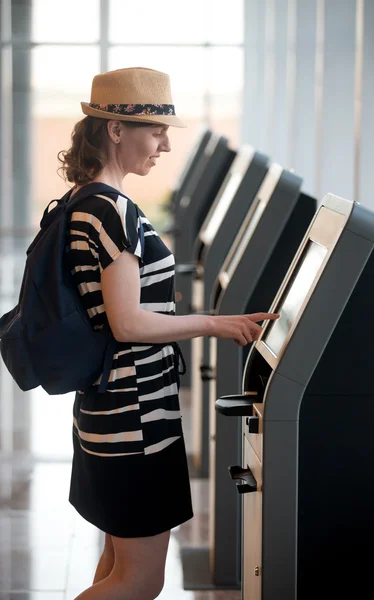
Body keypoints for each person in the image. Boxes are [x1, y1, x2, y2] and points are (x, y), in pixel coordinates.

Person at [57, 67, 279, 600]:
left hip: (113, 410)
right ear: (115, 129)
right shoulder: (112, 211)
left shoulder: (85, 200)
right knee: (141, 580)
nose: (163, 146)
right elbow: (127, 322)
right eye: (156, 131)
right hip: (133, 419)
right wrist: (216, 323)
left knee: (117, 566)